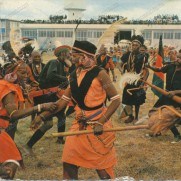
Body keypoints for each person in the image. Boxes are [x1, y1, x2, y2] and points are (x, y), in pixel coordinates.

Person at [31, 40, 120, 180]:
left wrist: (101, 122)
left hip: (98, 126)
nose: (70, 58)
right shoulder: (74, 75)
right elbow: (61, 103)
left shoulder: (100, 73)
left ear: (84, 57)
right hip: (79, 126)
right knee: (68, 162)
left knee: (102, 168)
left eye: (74, 55)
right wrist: (42, 116)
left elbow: (116, 100)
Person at [0, 61, 56, 179]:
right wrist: (41, 107)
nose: (25, 76)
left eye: (27, 74)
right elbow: (14, 114)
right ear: (12, 73)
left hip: (4, 126)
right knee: (11, 163)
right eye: (22, 73)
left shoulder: (9, 85)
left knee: (12, 157)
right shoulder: (7, 87)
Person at [22, 45, 72, 155]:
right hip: (44, 97)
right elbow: (50, 76)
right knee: (49, 123)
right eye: (68, 53)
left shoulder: (62, 65)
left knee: (62, 116)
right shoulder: (54, 63)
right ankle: (28, 145)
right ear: (63, 54)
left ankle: (60, 139)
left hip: (52, 95)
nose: (70, 55)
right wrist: (66, 78)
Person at [147, 48, 181, 143]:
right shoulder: (171, 66)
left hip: (176, 98)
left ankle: (178, 136)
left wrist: (175, 92)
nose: (177, 59)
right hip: (166, 95)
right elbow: (159, 69)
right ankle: (158, 131)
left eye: (180, 58)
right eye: (177, 57)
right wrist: (150, 67)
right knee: (153, 112)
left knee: (168, 117)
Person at [121, 35, 148, 123]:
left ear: (140, 46)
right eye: (133, 45)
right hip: (129, 80)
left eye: (136, 45)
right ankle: (130, 116)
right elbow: (121, 64)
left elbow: (145, 70)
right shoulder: (127, 54)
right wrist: (122, 69)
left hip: (138, 80)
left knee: (137, 100)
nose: (134, 47)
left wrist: (143, 82)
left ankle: (136, 117)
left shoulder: (143, 56)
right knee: (127, 98)